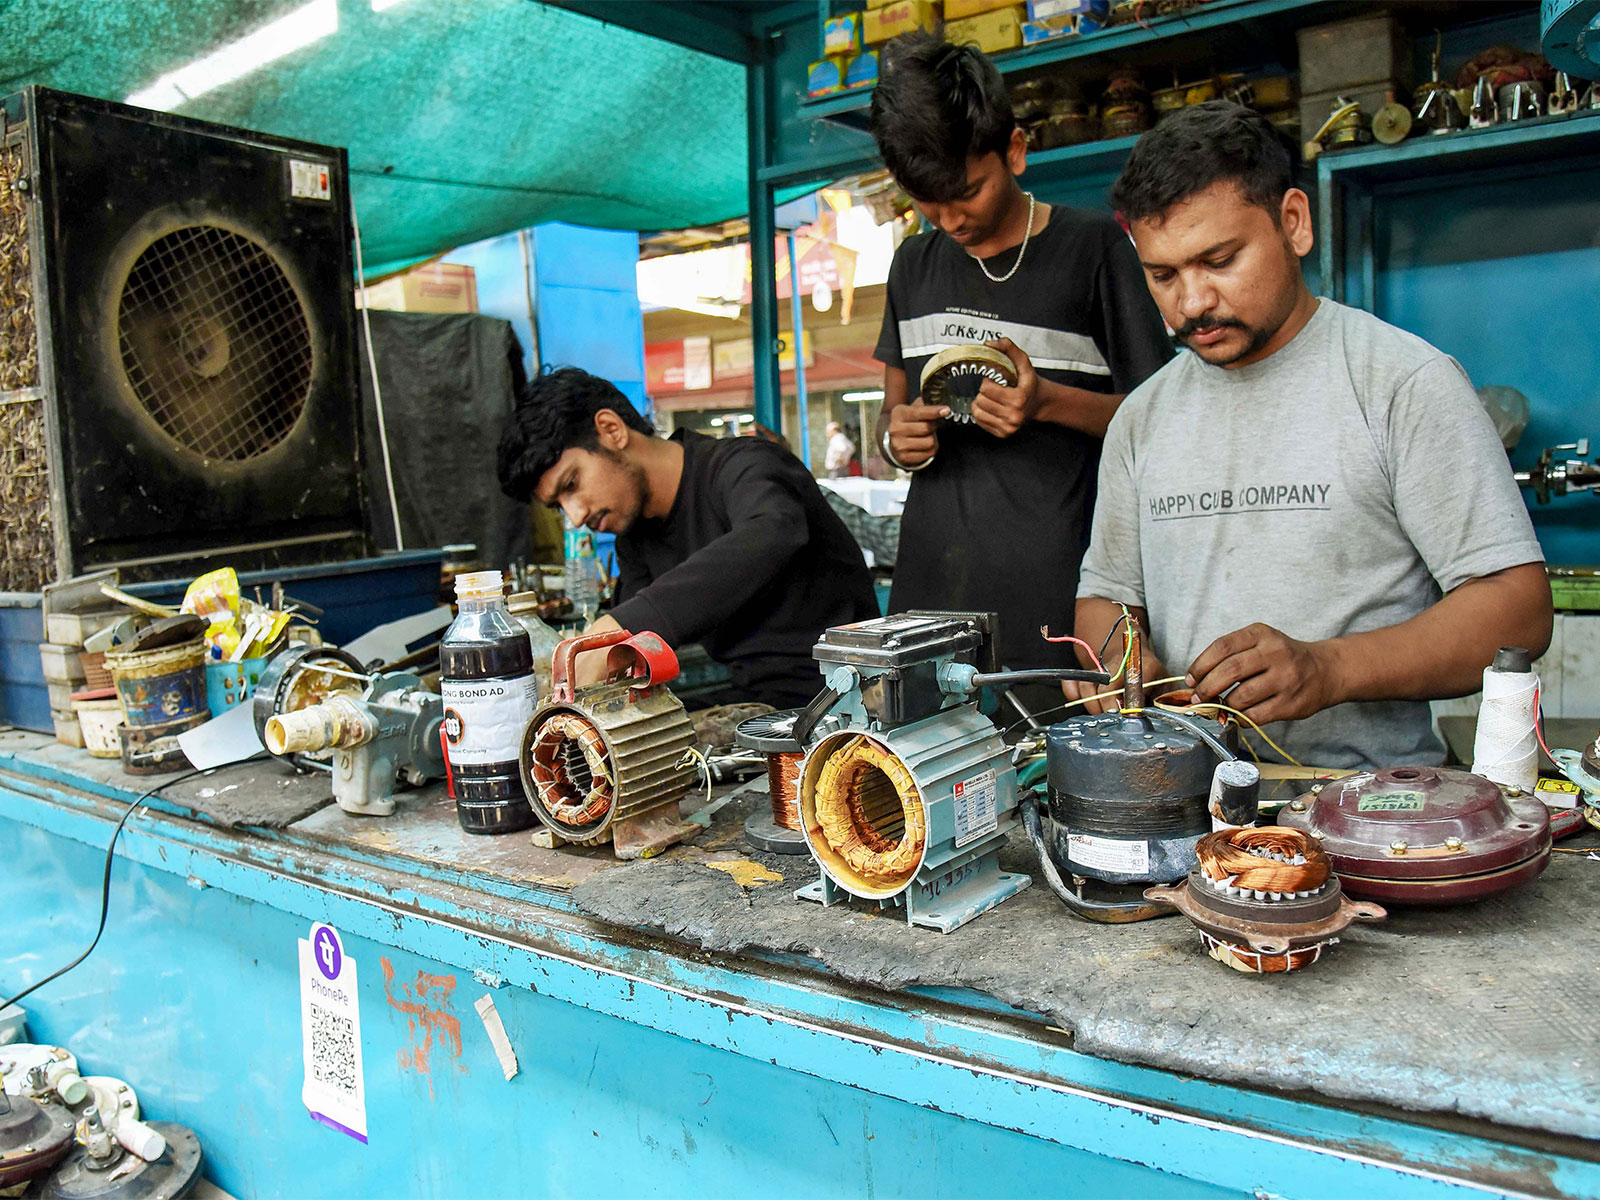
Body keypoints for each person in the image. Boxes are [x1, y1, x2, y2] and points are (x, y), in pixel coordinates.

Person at [1069, 101, 1552, 768]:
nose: (1192, 302)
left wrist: (1328, 669)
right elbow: (1106, 599)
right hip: (1185, 803)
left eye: (1220, 259)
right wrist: (1124, 661)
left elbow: (1518, 612)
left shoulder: (1402, 382)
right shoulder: (1141, 418)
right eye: (1164, 275)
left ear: (1293, 224)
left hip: (1378, 811)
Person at [869, 32, 1172, 691]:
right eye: (928, 202)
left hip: (1059, 592)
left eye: (967, 192)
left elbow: (1163, 422)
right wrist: (900, 440)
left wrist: (1048, 403)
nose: (950, 219)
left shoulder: (1092, 248)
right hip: (930, 589)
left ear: (1015, 149)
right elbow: (892, 417)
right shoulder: (911, 266)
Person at [498, 368, 879, 707]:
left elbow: (772, 529)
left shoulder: (745, 465)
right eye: (559, 505)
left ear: (611, 430)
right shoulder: (634, 537)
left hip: (853, 701)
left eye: (572, 483)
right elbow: (631, 656)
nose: (576, 514)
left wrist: (618, 627)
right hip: (757, 708)